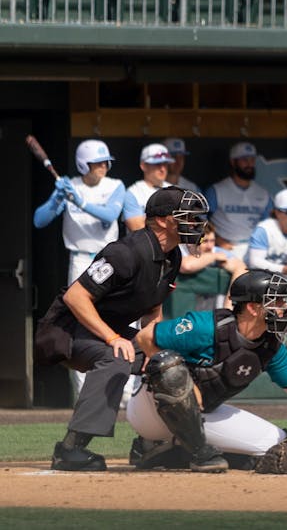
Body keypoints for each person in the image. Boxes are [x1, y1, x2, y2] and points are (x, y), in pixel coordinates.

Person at [34, 186, 208, 471]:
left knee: (170, 363)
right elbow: (75, 297)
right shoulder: (126, 252)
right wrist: (113, 337)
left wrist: (153, 346)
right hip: (66, 330)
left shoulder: (172, 257)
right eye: (187, 217)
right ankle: (70, 449)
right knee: (117, 356)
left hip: (102, 330)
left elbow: (154, 309)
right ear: (163, 220)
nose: (196, 223)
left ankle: (151, 444)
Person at [127, 270, 287, 474]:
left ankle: (172, 452)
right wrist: (187, 385)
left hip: (202, 414)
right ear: (253, 308)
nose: (284, 308)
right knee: (172, 370)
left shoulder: (271, 346)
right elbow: (145, 337)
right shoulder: (206, 327)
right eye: (277, 301)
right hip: (151, 412)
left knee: (280, 447)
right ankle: (190, 452)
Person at [33, 139, 126, 404]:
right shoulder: (69, 186)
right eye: (98, 163)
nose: (104, 167)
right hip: (80, 260)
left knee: (119, 319)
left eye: (106, 162)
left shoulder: (115, 186)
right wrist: (56, 198)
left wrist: (80, 201)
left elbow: (109, 216)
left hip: (109, 259)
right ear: (84, 164)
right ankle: (86, 397)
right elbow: (39, 221)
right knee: (81, 326)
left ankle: (124, 394)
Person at [205, 141, 272, 259]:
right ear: (233, 162)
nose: (249, 164)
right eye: (244, 160)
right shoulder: (216, 190)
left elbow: (270, 224)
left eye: (252, 160)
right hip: (227, 247)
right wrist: (218, 240)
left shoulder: (263, 193)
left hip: (255, 248)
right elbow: (200, 219)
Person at [179, 222, 247, 310]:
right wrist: (213, 256)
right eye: (205, 241)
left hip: (207, 309)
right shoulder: (181, 249)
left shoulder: (216, 251)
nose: (210, 246)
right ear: (191, 242)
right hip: (179, 309)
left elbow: (242, 269)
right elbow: (186, 266)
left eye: (212, 241)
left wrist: (229, 305)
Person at [246, 188, 287, 279]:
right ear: (277, 212)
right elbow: (254, 262)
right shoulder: (264, 229)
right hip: (258, 279)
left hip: (285, 278)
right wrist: (283, 269)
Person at [123, 143, 175, 232]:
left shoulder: (175, 189)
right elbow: (138, 229)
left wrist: (149, 220)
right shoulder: (133, 192)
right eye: (157, 164)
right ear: (144, 166)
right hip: (145, 245)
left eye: (165, 164)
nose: (162, 169)